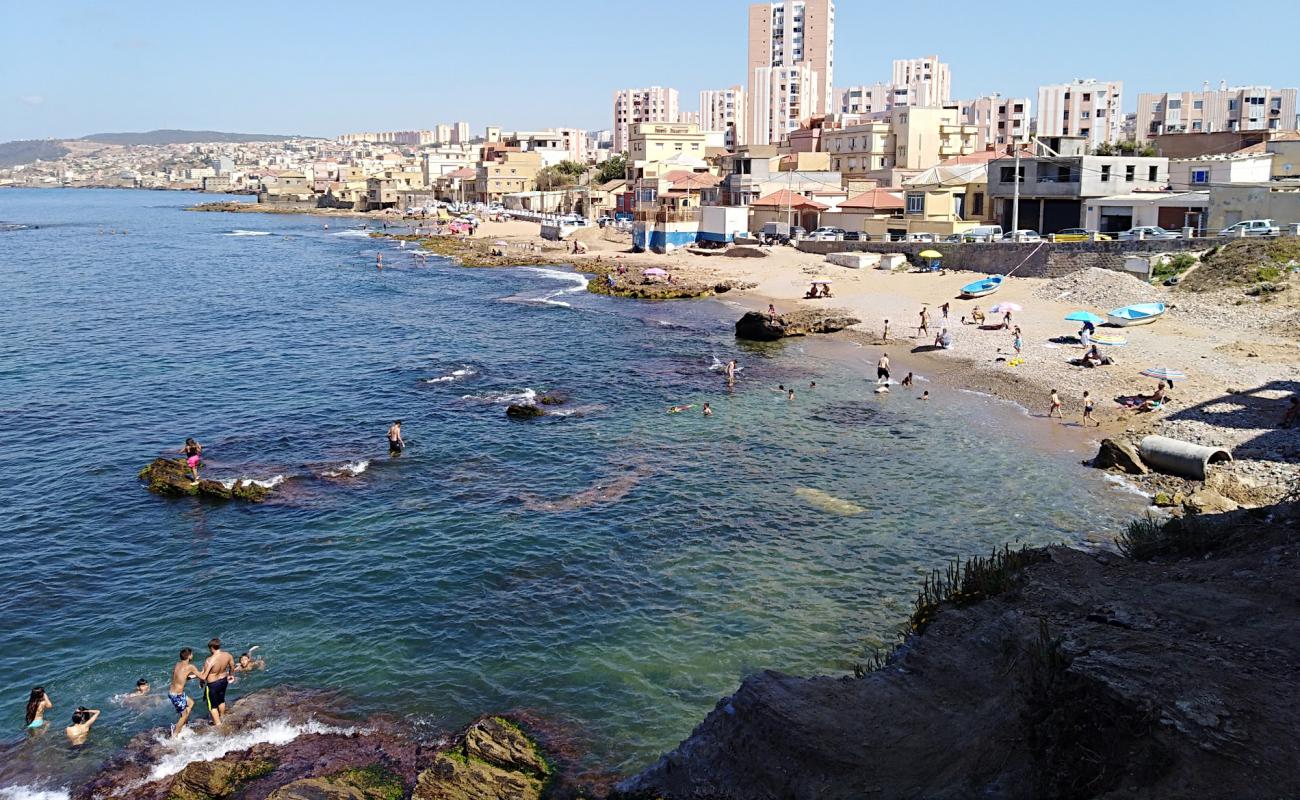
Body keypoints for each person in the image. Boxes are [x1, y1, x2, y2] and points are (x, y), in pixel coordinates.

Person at [200, 638, 235, 727]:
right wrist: (231, 675)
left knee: (212, 706)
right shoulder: (227, 655)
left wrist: (201, 682)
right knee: (221, 700)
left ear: (212, 647)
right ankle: (222, 716)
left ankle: (218, 725)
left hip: (212, 684)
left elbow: (204, 674)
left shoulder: (209, 660)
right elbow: (232, 666)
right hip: (223, 680)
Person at [169, 648, 201, 737]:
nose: (193, 656)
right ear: (189, 656)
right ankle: (174, 735)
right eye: (192, 654)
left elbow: (182, 676)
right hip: (176, 695)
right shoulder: (190, 666)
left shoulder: (178, 664)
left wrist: (194, 676)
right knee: (183, 715)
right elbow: (202, 676)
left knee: (191, 703)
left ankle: (183, 724)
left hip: (174, 693)